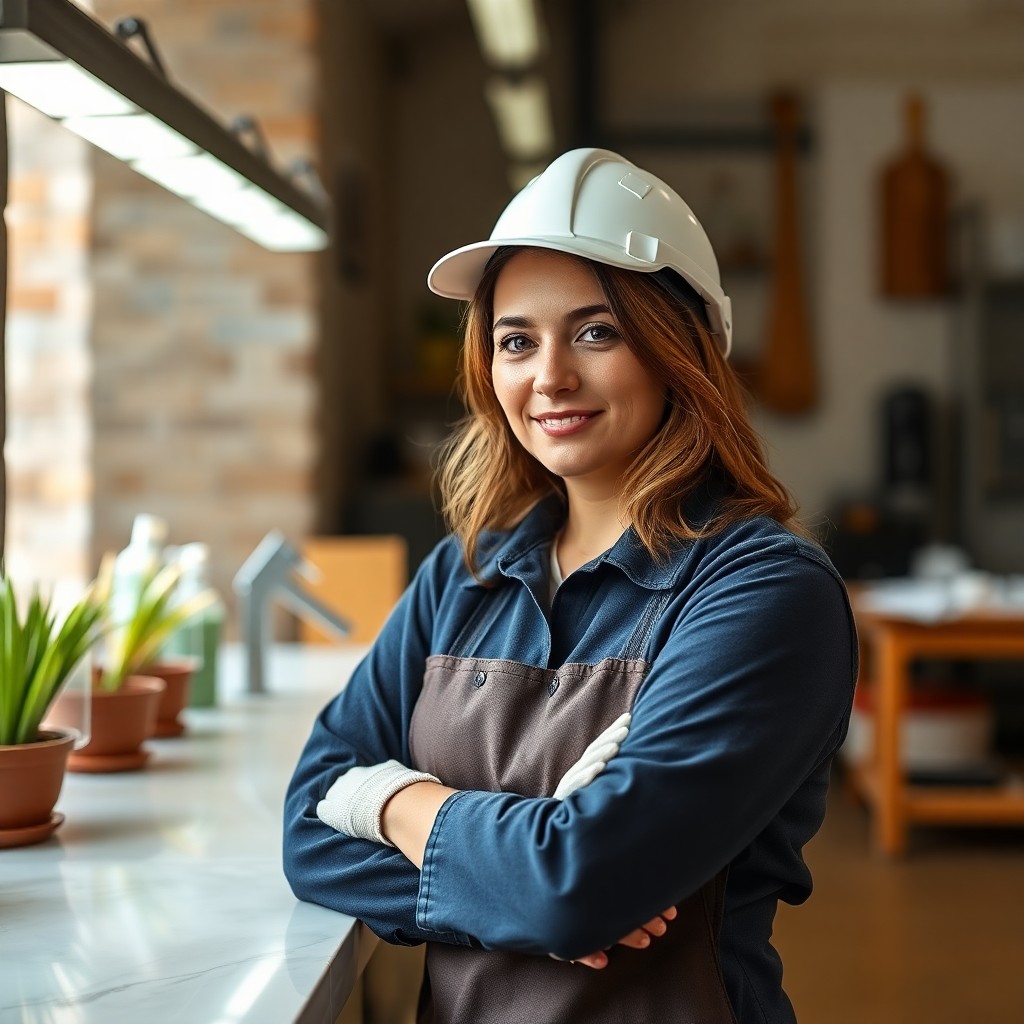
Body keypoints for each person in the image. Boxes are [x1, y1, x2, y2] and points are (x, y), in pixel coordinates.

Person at [283, 148, 857, 1023]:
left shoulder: (763, 591)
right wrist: (516, 877)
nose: (549, 376)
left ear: (679, 351)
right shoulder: (464, 576)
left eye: (597, 332)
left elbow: (577, 888)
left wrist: (387, 802)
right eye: (517, 340)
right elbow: (309, 821)